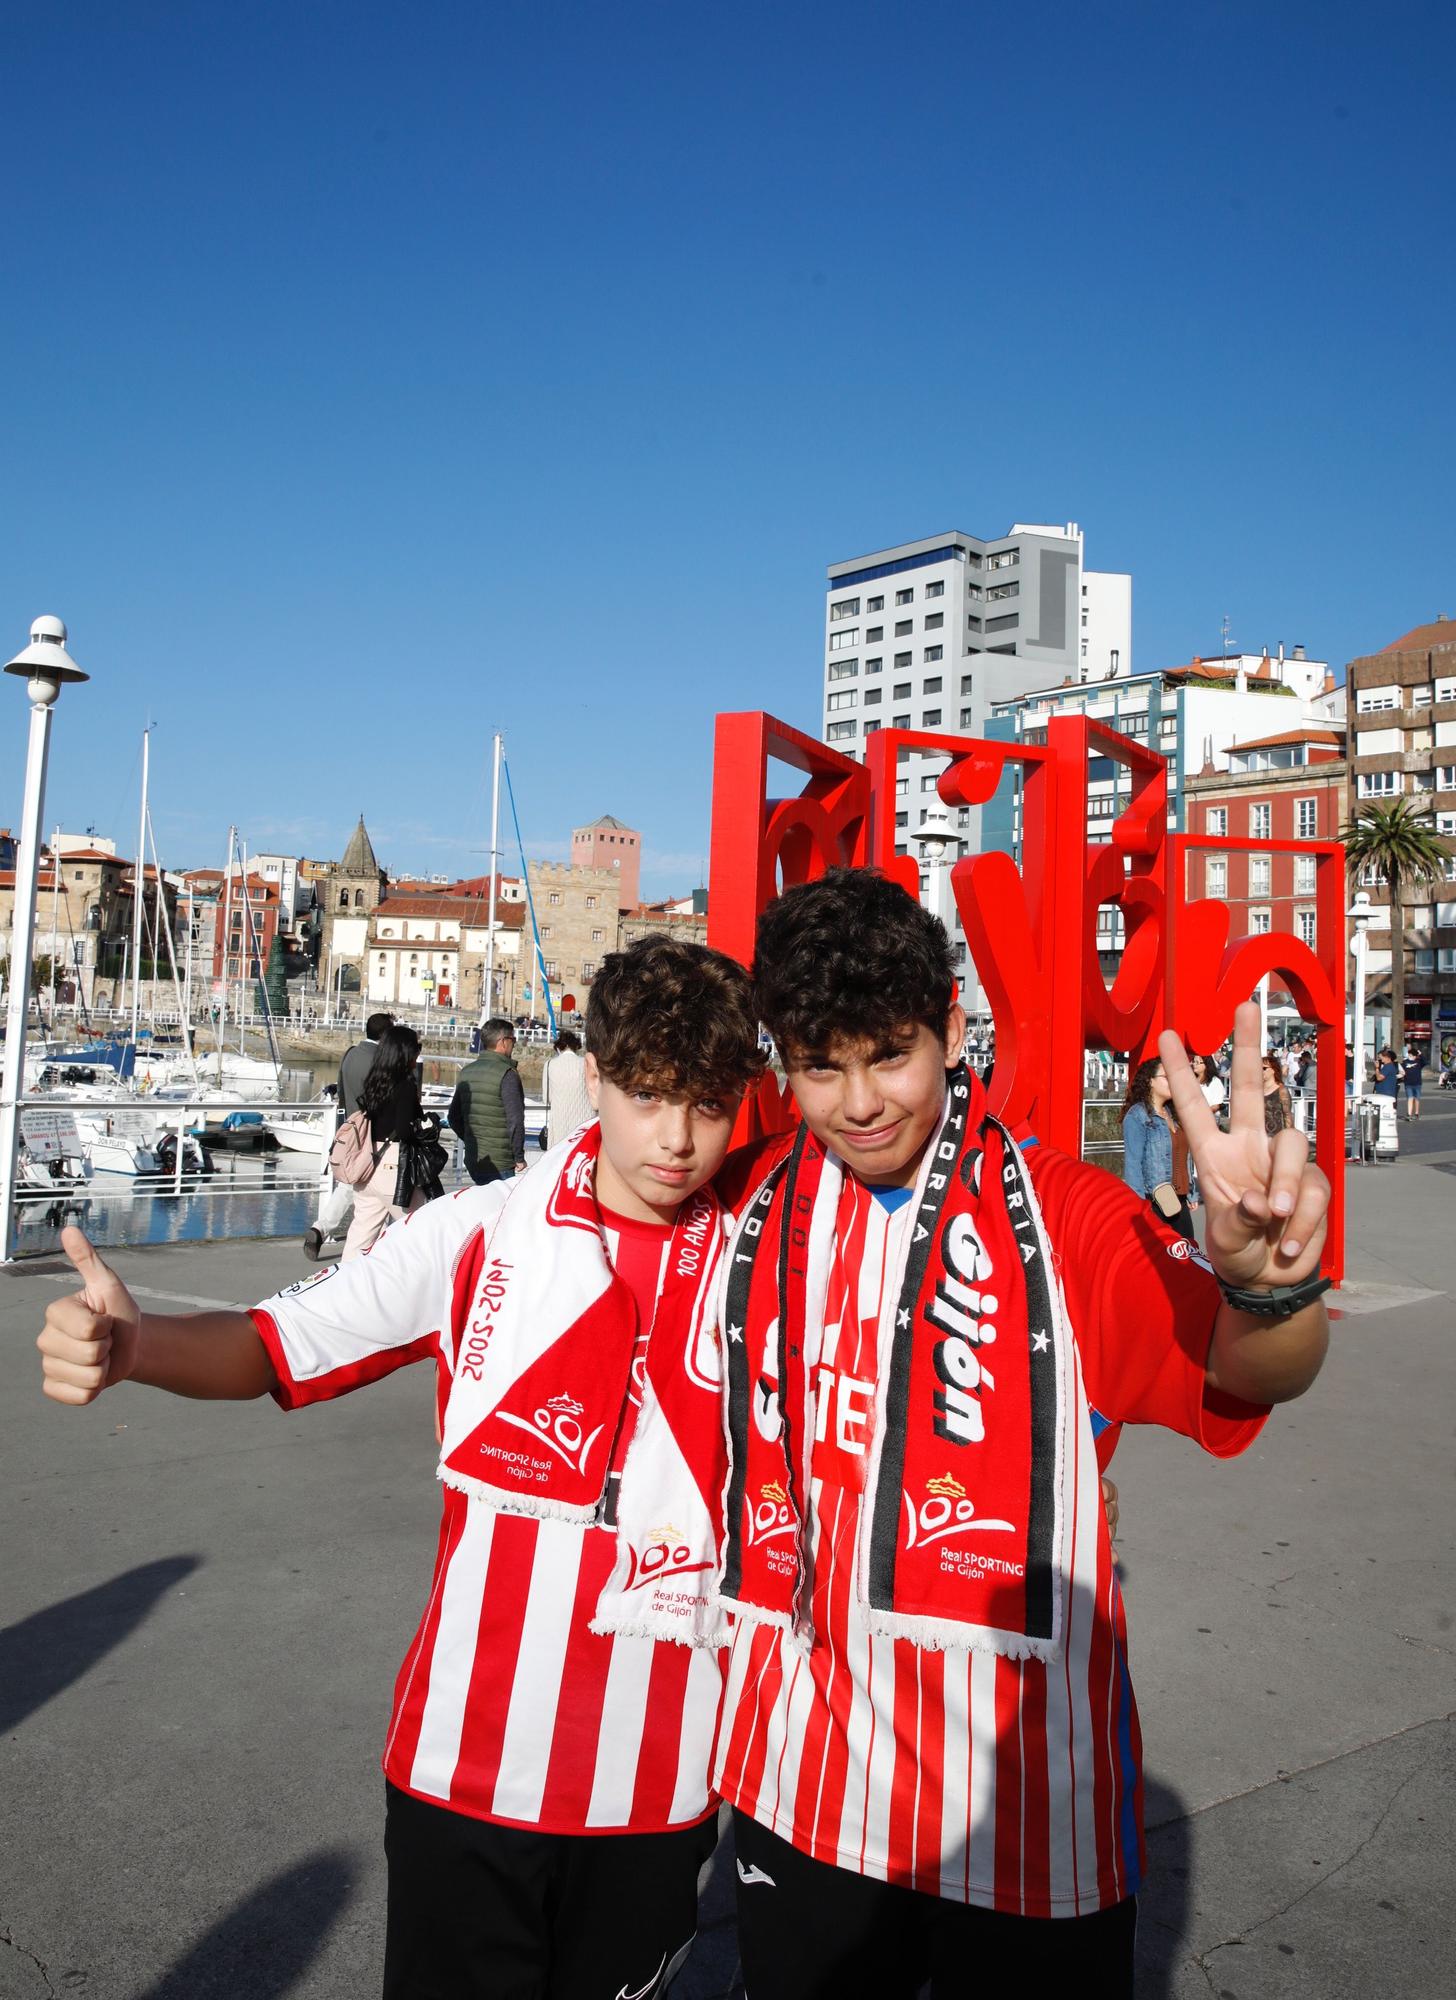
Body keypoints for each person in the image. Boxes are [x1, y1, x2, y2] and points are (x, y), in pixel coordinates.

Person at [35, 935, 767, 2000]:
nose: (678, 1136)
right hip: (460, 1775)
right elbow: (281, 1344)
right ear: (594, 1077)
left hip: (658, 1789)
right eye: (649, 1093)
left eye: (708, 1101)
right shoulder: (480, 1230)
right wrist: (138, 1347)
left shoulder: (769, 1264)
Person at [712, 868, 1329, 2000]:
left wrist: (1269, 1288)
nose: (856, 1102)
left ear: (953, 1026)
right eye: (819, 1065)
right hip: (798, 1782)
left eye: (887, 1052)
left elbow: (1245, 1372)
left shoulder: (1066, 1214)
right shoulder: (748, 1206)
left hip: (1028, 1818)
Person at [340, 1023, 436, 1261]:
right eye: (417, 1048)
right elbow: (404, 1130)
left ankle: (345, 1283)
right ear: (405, 1052)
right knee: (421, 1226)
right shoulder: (404, 1084)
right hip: (394, 1164)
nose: (418, 1053)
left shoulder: (376, 1080)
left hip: (368, 1160)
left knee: (361, 1233)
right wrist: (425, 1124)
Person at [304, 1011, 394, 1259]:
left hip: (350, 1128)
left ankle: (321, 1229)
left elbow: (343, 1091)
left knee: (350, 1185)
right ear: (385, 1035)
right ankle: (380, 1245)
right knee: (373, 1190)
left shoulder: (350, 1054)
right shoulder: (381, 1061)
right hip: (373, 1133)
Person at [1120, 1054, 1194, 1239]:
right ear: (1150, 1081)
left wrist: (1191, 1193)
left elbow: (1184, 1157)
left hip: (1179, 1200)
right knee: (1161, 1260)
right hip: (1155, 1201)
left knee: (1188, 1256)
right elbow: (1133, 1166)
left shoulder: (1174, 1114)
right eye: (1166, 1077)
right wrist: (1139, 1208)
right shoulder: (1138, 1116)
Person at [448, 1016, 526, 1184]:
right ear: (503, 1042)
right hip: (500, 1162)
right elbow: (516, 1121)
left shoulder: (466, 1072)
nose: (514, 1043)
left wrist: (470, 1141)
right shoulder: (507, 1074)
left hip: (474, 1159)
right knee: (501, 1208)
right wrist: (519, 1157)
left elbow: (453, 1118)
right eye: (513, 1039)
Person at [1261, 1052, 1293, 1135]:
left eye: (1264, 1068)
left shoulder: (1282, 1090)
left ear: (1273, 1070)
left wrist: (1289, 1136)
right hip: (1259, 1137)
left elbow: (1287, 1115)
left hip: (1277, 1136)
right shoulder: (1257, 1090)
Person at [1400, 1044, 1425, 1121]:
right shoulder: (1405, 1062)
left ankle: (1416, 1113)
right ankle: (1409, 1114)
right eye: (1409, 1054)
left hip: (1417, 1083)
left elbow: (1425, 1061)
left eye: (1411, 1055)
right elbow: (1400, 1068)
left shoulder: (1419, 1062)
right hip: (1408, 1083)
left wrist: (1421, 1055)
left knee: (1417, 1099)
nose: (1410, 1056)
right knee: (1410, 1098)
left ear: (1415, 1056)